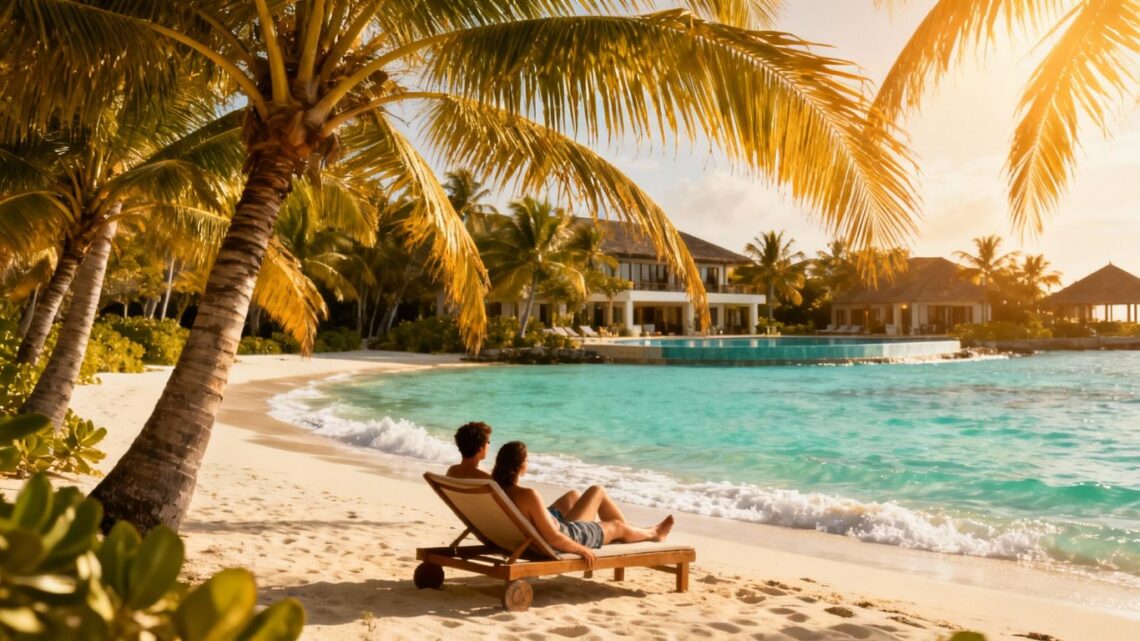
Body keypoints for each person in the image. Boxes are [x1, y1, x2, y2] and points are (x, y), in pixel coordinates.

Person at [491, 441, 673, 567]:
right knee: (614, 521)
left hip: (540, 532)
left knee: (574, 496)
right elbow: (554, 538)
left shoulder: (497, 490)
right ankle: (651, 533)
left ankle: (630, 532)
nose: (528, 463)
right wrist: (582, 549)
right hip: (565, 536)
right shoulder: (529, 495)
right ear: (518, 466)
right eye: (527, 460)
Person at [445, 422, 581, 517]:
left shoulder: (452, 472)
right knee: (574, 497)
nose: (489, 445)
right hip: (532, 523)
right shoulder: (487, 480)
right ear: (480, 448)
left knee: (572, 497)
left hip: (486, 523)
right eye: (488, 442)